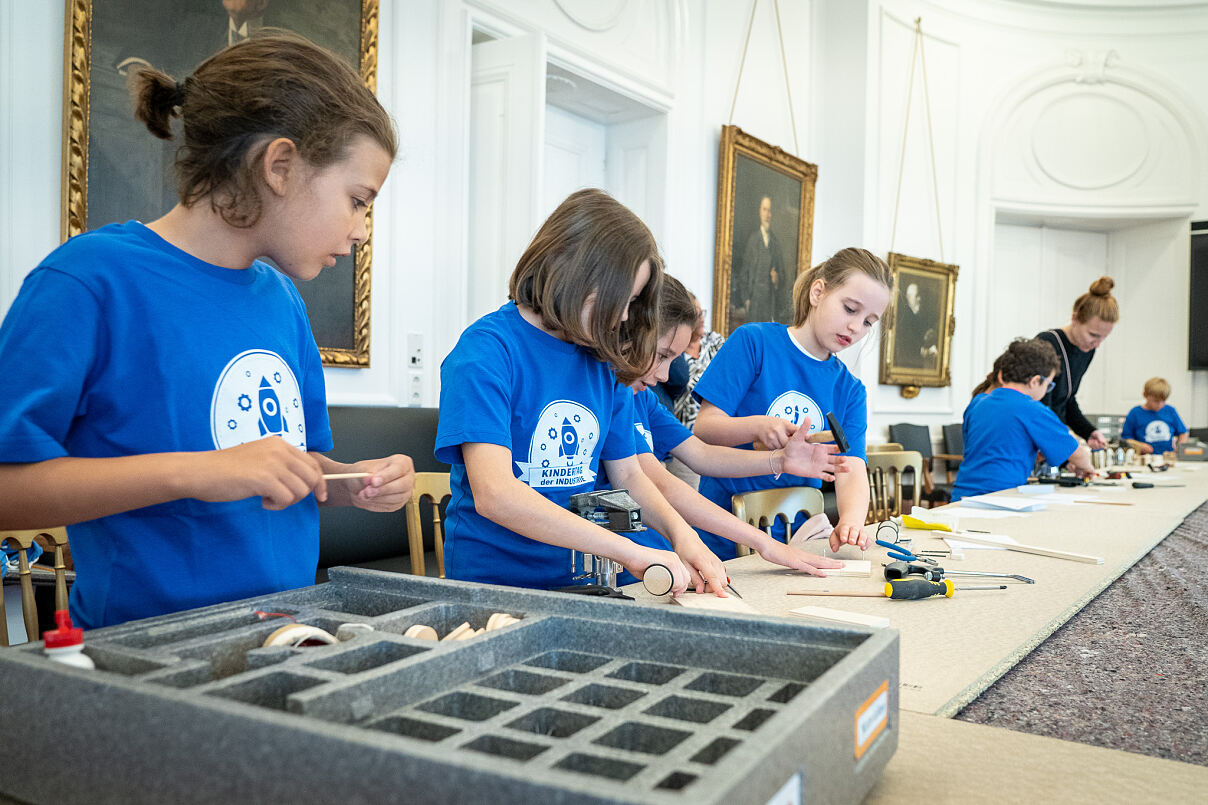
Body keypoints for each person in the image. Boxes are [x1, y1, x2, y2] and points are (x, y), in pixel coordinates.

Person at [0, 32, 415, 629]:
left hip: (286, 634)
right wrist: (199, 470)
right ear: (279, 166)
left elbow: (286, 460)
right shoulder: (90, 280)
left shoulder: (282, 303)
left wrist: (346, 482)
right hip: (145, 657)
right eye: (358, 200)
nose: (361, 230)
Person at [435, 189, 729, 599]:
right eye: (623, 299)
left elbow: (629, 476)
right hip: (498, 585)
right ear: (576, 271)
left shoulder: (602, 361)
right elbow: (495, 494)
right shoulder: (485, 351)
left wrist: (683, 535)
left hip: (586, 580)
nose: (626, 316)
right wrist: (629, 551)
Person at [604, 274, 848, 582]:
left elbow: (701, 454)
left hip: (648, 566)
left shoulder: (639, 397)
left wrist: (780, 460)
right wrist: (763, 542)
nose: (666, 376)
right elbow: (658, 482)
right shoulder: (616, 390)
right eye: (663, 356)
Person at [691, 248, 893, 559]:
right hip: (722, 536)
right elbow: (705, 428)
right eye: (850, 309)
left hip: (798, 539)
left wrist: (852, 521)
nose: (856, 328)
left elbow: (851, 467)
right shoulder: (754, 342)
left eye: (869, 321)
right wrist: (757, 427)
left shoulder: (850, 390)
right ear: (818, 293)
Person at [951, 338, 1094, 501]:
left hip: (961, 497)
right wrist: (1088, 468)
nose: (1047, 391)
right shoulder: (1034, 410)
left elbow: (989, 447)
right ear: (1035, 381)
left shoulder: (977, 402)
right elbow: (1078, 455)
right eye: (1048, 385)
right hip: (1001, 499)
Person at [1036, 277, 1120, 450]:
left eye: (1104, 338)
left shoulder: (1087, 351)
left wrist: (1088, 431)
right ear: (1075, 318)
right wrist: (1066, 442)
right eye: (1093, 335)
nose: (1096, 344)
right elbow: (1040, 405)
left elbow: (1067, 399)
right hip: (1041, 438)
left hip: (1056, 437)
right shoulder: (1047, 343)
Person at [672, 292, 726, 431]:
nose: (702, 319)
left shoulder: (716, 342)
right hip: (683, 430)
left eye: (702, 313)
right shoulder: (674, 353)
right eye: (697, 315)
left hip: (718, 426)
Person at [740, 195, 787, 324]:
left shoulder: (775, 243)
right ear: (760, 212)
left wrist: (777, 280)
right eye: (764, 210)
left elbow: (783, 275)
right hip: (754, 301)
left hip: (769, 303)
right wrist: (746, 300)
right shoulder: (752, 240)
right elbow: (744, 273)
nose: (767, 214)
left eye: (769, 210)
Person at [1122, 377, 1188, 455]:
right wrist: (1140, 446)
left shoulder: (1170, 411)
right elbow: (1126, 438)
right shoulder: (1135, 413)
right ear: (1145, 395)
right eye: (1156, 401)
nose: (1160, 405)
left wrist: (1179, 448)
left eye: (1163, 401)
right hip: (1144, 458)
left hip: (1167, 457)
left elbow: (1183, 433)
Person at [893, 281, 938, 370]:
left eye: (920, 296)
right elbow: (905, 345)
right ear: (909, 297)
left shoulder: (917, 317)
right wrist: (924, 351)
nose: (920, 299)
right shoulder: (904, 318)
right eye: (916, 296)